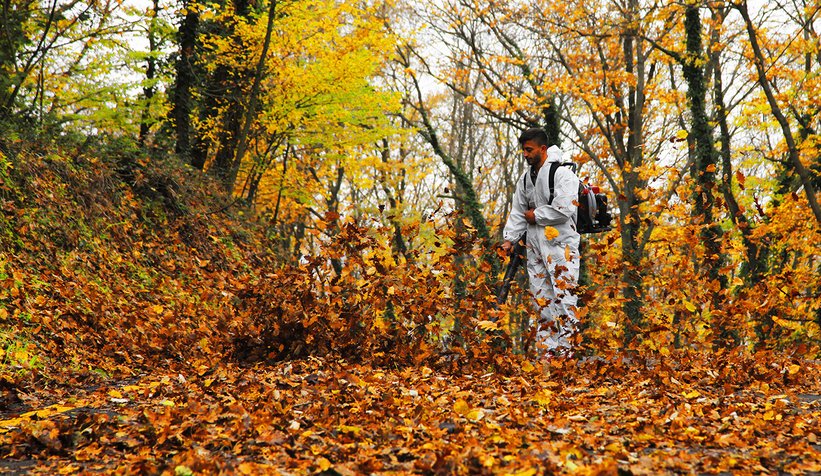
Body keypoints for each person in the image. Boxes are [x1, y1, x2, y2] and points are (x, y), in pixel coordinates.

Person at [501, 127, 580, 358]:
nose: (525, 154)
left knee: (565, 297)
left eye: (529, 150)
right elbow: (518, 211)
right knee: (541, 299)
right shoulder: (526, 179)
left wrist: (536, 215)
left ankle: (567, 353)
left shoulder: (562, 175)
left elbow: (564, 209)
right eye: (523, 150)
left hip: (561, 245)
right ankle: (548, 352)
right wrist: (509, 240)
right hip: (535, 246)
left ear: (542, 149)